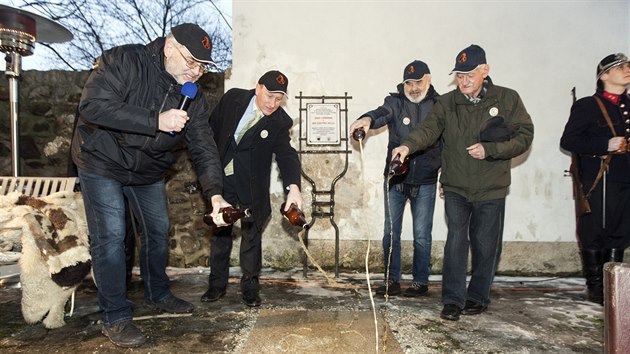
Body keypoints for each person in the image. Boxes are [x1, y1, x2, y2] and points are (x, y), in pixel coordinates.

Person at [71, 23, 230, 347]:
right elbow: (92, 107)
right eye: (191, 61)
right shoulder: (125, 61)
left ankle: (157, 293)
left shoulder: (193, 97)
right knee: (112, 236)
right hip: (102, 161)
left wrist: (215, 195)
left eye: (203, 66)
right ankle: (115, 317)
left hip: (147, 171)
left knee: (158, 230)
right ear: (169, 47)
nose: (196, 71)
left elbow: (203, 148)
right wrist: (154, 120)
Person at [391, 44, 534, 321]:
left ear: (485, 71)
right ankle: (453, 300)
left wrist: (491, 151)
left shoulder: (507, 99)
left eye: (469, 75)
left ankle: (478, 297)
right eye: (459, 76)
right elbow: (429, 129)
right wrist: (407, 146)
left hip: (491, 186)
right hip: (456, 184)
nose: (464, 81)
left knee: (485, 243)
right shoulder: (447, 102)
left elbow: (525, 136)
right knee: (456, 241)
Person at [200, 70, 304, 307]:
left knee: (251, 235)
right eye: (269, 96)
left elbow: (287, 155)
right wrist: (209, 172)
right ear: (258, 87)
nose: (273, 103)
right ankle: (216, 285)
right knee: (220, 233)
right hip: (222, 180)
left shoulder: (279, 122)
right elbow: (210, 130)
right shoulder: (233, 99)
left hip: (251, 185)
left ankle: (250, 286)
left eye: (279, 99)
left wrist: (294, 188)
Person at [349, 60, 441, 297]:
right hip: (396, 180)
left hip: (426, 180)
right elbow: (381, 114)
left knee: (422, 235)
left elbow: (448, 143)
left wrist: (447, 177)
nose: (413, 88)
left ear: (428, 80)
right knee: (391, 232)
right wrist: (367, 120)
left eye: (417, 82)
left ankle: (420, 282)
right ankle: (392, 281)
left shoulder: (440, 105)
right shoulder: (395, 102)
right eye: (408, 83)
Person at [560, 53, 630, 305]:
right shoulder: (587, 106)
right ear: (604, 75)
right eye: (619, 67)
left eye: (627, 65)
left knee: (620, 233)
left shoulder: (628, 105)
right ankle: (596, 290)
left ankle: (614, 288)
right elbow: (568, 141)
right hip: (598, 183)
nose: (626, 69)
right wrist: (604, 143)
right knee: (594, 233)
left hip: (625, 180)